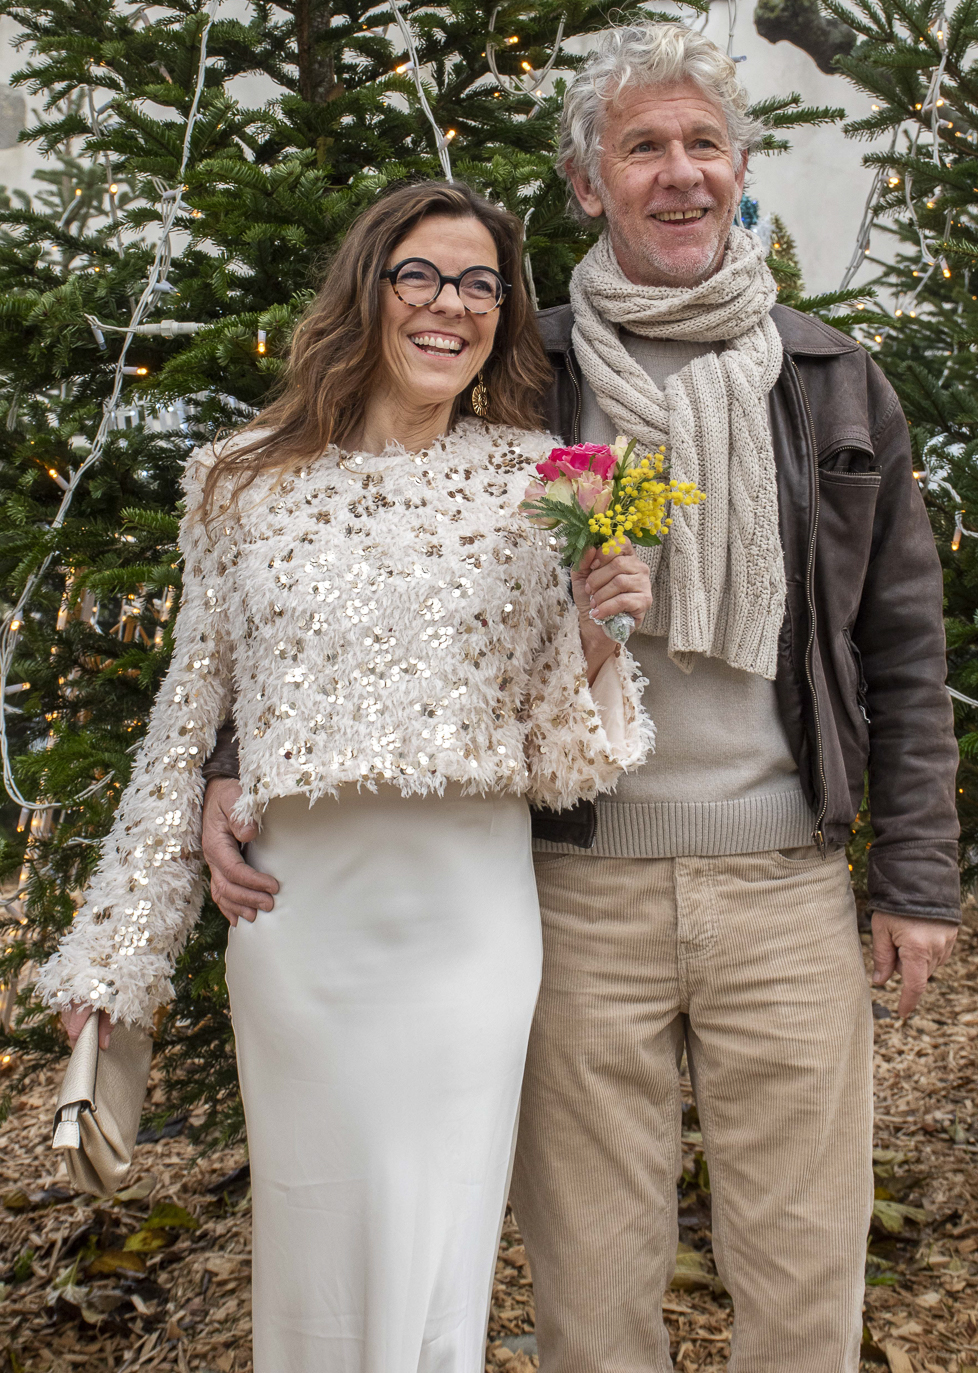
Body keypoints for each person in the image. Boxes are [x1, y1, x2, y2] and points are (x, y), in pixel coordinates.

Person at [200, 26, 962, 1371]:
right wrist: (227, 754)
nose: (680, 173)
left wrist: (917, 877)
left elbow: (902, 644)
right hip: (569, 885)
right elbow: (340, 556)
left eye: (704, 144)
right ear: (586, 182)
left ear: (739, 168)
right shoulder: (514, 372)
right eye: (642, 147)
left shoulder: (832, 379)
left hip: (783, 883)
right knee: (592, 1289)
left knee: (805, 1272)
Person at [36, 179, 655, 1373]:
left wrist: (593, 631)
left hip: (468, 926)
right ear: (367, 290)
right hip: (300, 925)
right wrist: (116, 958)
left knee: (438, 1243)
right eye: (420, 274)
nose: (450, 305)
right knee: (318, 1241)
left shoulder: (542, 480)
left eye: (481, 286)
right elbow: (187, 720)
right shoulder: (238, 481)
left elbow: (555, 750)